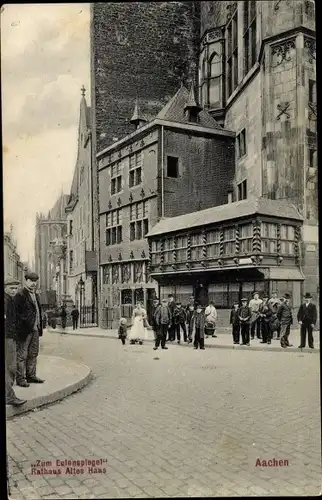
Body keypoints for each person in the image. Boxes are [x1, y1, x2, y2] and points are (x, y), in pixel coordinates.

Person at [15, 272, 44, 387]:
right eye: (31, 281)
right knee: (22, 355)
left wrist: (38, 326)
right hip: (25, 330)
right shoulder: (20, 294)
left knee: (33, 353)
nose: (33, 283)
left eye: (35, 281)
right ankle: (20, 379)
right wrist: (25, 324)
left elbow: (37, 311)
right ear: (26, 280)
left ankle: (31, 376)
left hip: (35, 329)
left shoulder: (35, 295)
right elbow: (17, 314)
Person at [5, 278, 27, 406]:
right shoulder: (6, 301)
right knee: (10, 368)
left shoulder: (10, 301)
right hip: (8, 338)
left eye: (16, 288)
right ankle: (9, 397)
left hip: (11, 337)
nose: (14, 291)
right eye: (11, 288)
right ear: (5, 288)